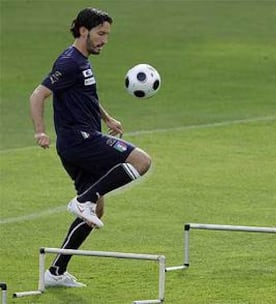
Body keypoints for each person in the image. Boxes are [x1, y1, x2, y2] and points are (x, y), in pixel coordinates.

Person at [29, 7, 151, 288]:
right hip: (79, 140)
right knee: (142, 161)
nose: (105, 39)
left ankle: (56, 272)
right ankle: (84, 200)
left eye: (107, 34)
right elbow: (38, 95)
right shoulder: (69, 62)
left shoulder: (82, 62)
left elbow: (85, 96)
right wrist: (40, 131)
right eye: (100, 33)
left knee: (97, 210)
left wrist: (107, 118)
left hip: (80, 140)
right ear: (83, 30)